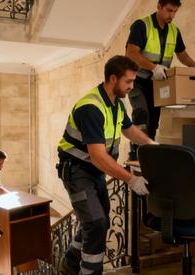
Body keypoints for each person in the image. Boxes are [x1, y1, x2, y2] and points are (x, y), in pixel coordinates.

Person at [57, 55, 156, 275]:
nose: (132, 86)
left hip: (95, 171)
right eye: (128, 81)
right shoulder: (91, 107)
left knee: (98, 218)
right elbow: (98, 156)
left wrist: (150, 143)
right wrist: (131, 179)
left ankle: (70, 263)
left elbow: (128, 129)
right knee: (96, 223)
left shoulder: (116, 104)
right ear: (113, 78)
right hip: (77, 171)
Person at [125, 0, 195, 159]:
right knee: (141, 115)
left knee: (153, 121)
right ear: (159, 6)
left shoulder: (174, 31)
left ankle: (149, 155)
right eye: (168, 10)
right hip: (137, 81)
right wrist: (154, 67)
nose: (171, 15)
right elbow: (131, 53)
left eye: (175, 12)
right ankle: (135, 155)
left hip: (158, 83)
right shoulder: (141, 25)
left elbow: (181, 54)